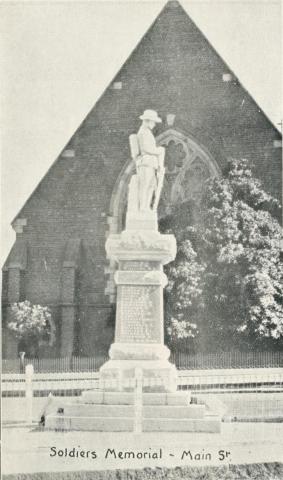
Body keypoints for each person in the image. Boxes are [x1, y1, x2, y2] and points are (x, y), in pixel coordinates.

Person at [129, 110, 165, 212]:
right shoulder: (143, 132)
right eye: (153, 122)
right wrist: (159, 151)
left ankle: (146, 206)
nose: (154, 124)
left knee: (151, 185)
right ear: (148, 121)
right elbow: (146, 149)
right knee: (145, 185)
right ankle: (143, 207)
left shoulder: (147, 132)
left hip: (150, 163)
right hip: (145, 163)